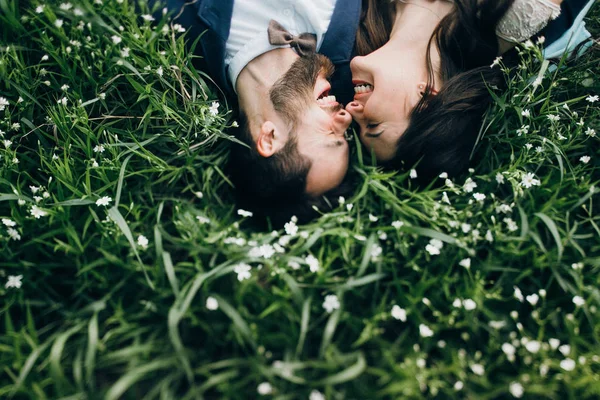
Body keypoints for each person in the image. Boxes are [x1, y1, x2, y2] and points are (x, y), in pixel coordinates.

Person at [345, 0, 596, 183]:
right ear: (427, 98)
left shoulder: (357, 23)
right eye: (373, 124)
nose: (351, 111)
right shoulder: (507, 17)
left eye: (359, 126)